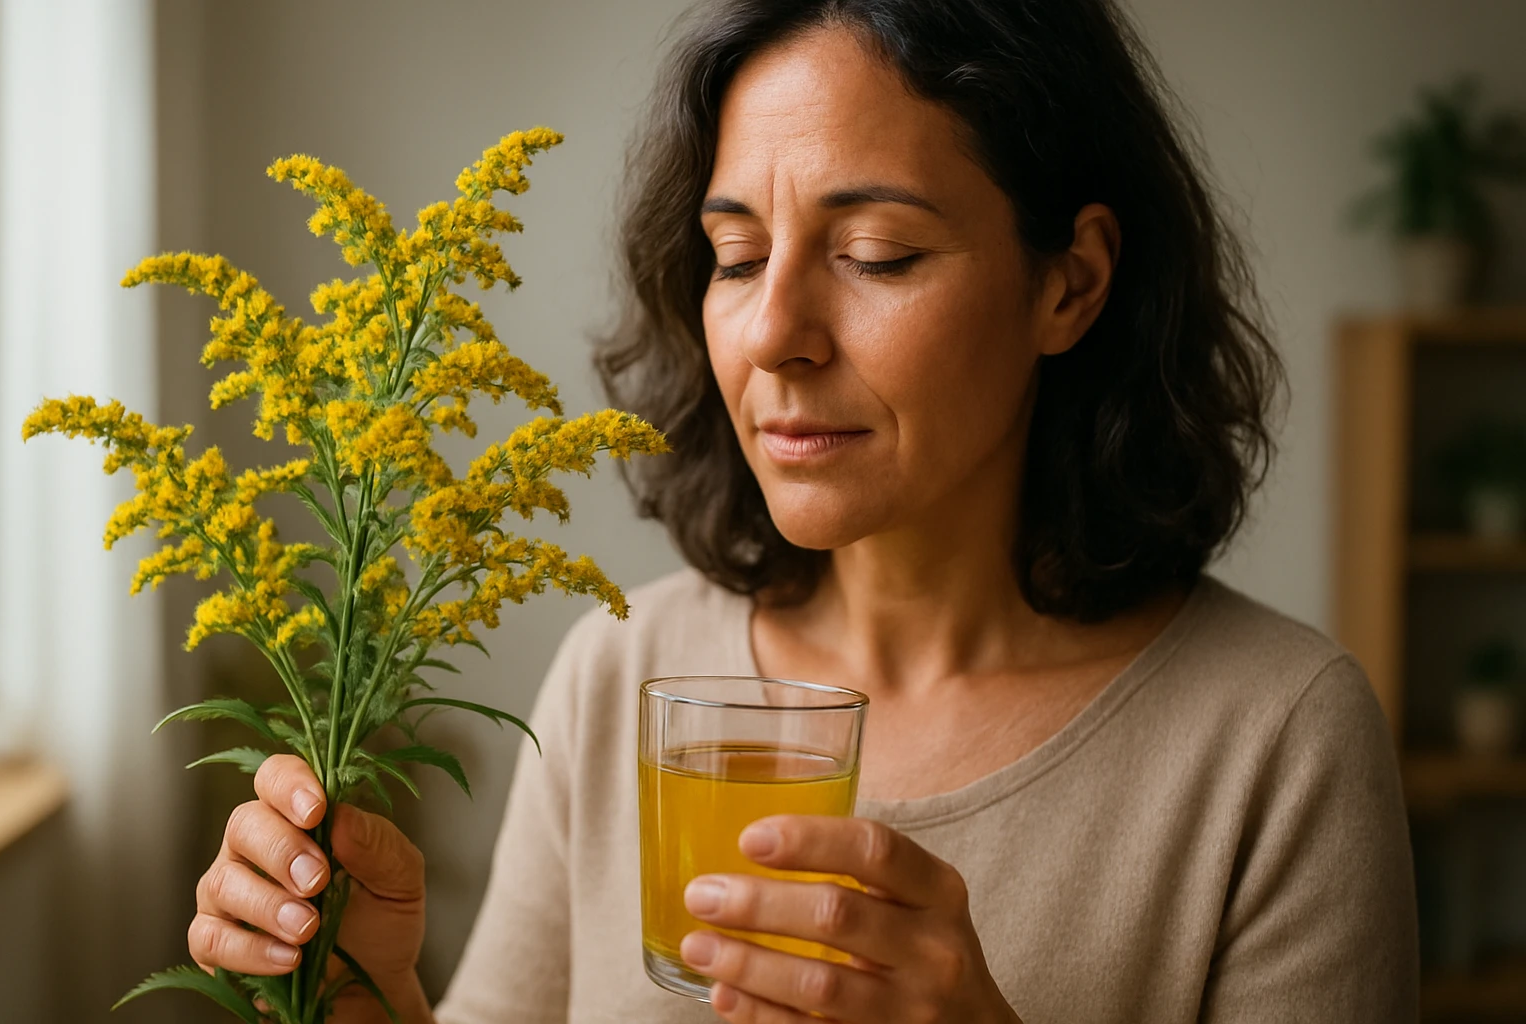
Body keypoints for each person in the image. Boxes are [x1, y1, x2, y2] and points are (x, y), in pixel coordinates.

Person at [185, 1, 1420, 1021]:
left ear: (1072, 282)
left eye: (876, 252)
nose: (773, 332)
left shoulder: (1277, 740)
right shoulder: (620, 670)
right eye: (733, 256)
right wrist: (369, 994)